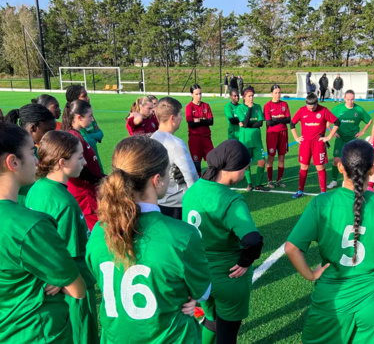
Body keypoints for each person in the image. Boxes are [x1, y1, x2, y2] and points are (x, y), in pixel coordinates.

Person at [0, 102, 86, 343]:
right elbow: (77, 288)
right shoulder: (29, 225)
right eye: (32, 152)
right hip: (36, 333)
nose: (37, 159)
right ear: (13, 162)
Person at [285, 139, 374, 344]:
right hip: (373, 302)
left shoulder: (321, 203)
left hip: (331, 300)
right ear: (373, 169)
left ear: (339, 166)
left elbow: (291, 248)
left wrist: (310, 274)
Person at [86, 136, 211, 343]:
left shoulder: (99, 232)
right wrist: (193, 299)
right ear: (156, 180)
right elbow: (202, 291)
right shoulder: (182, 235)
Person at [182, 139, 264, 344]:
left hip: (198, 275)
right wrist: (246, 260)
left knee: (210, 320)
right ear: (231, 169)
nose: (245, 173)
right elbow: (253, 240)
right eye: (244, 168)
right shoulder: (231, 200)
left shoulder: (192, 190)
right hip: (228, 277)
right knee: (227, 335)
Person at [26, 131, 98, 344]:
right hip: (74, 288)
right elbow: (71, 257)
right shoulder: (64, 202)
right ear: (61, 162)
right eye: (79, 157)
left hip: (50, 286)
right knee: (83, 335)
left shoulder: (36, 188)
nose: (84, 162)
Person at [151, 97, 199, 220]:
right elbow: (191, 178)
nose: (182, 118)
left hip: (157, 204)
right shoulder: (176, 144)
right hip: (177, 206)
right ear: (172, 118)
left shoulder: (151, 140)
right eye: (180, 115)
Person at [61, 100, 104, 231]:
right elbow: (79, 170)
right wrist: (101, 179)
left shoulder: (78, 135)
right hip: (85, 196)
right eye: (90, 116)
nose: (92, 119)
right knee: (100, 232)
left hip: (89, 193)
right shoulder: (74, 138)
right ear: (79, 118)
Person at [4, 104, 58, 205]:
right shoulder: (15, 153)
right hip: (21, 207)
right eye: (48, 131)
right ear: (33, 128)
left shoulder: (35, 150)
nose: (51, 136)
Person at [290, 93, 340, 197]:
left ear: (316, 104)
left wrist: (329, 137)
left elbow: (337, 122)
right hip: (305, 143)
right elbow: (292, 123)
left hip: (318, 143)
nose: (311, 110)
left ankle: (323, 192)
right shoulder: (302, 110)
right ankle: (300, 191)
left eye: (313, 108)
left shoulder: (323, 110)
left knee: (320, 167)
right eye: (309, 107)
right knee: (303, 166)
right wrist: (296, 138)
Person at [327, 90, 373, 189]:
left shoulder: (359, 110)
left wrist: (362, 132)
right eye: (348, 99)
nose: (350, 101)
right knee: (336, 160)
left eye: (352, 99)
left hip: (353, 140)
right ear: (344, 99)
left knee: (351, 161)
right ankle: (334, 180)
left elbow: (369, 120)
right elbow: (328, 121)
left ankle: (348, 181)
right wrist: (332, 132)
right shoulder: (338, 109)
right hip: (340, 139)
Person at [236, 86, 269, 191]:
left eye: (252, 96)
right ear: (244, 97)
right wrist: (249, 109)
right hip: (245, 140)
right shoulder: (240, 108)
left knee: (262, 162)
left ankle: (258, 184)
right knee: (246, 163)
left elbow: (260, 123)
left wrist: (247, 124)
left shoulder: (258, 107)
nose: (251, 98)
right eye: (249, 96)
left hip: (257, 140)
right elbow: (245, 123)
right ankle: (249, 183)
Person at [66, 85, 104, 173]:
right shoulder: (73, 122)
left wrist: (89, 137)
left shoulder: (88, 116)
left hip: (95, 157)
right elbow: (86, 141)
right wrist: (91, 138)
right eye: (84, 96)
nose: (88, 98)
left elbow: (100, 134)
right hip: (85, 166)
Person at [264, 85, 291, 189]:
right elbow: (269, 122)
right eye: (275, 93)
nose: (278, 94)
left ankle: (279, 179)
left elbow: (288, 119)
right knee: (271, 157)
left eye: (279, 92)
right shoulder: (267, 105)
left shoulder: (284, 104)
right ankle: (270, 180)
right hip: (272, 134)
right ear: (271, 94)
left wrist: (276, 119)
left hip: (283, 133)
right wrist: (281, 118)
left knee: (281, 157)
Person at [186, 84, 214, 176]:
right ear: (191, 94)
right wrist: (204, 120)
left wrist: (198, 120)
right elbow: (191, 124)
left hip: (206, 138)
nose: (199, 96)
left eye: (200, 94)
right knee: (196, 165)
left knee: (213, 162)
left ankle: (210, 181)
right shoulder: (189, 107)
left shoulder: (206, 105)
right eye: (197, 94)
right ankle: (198, 185)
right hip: (195, 139)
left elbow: (211, 121)